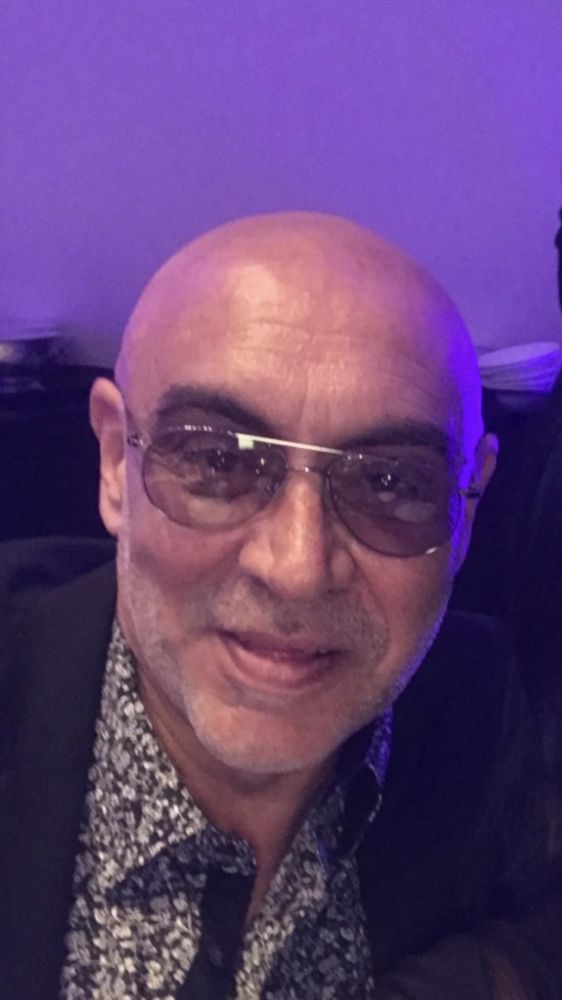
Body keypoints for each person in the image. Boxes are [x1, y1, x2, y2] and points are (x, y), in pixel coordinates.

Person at [0, 211, 539, 999]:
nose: (297, 569)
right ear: (116, 462)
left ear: (467, 509)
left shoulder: (483, 707)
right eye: (219, 461)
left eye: (389, 481)